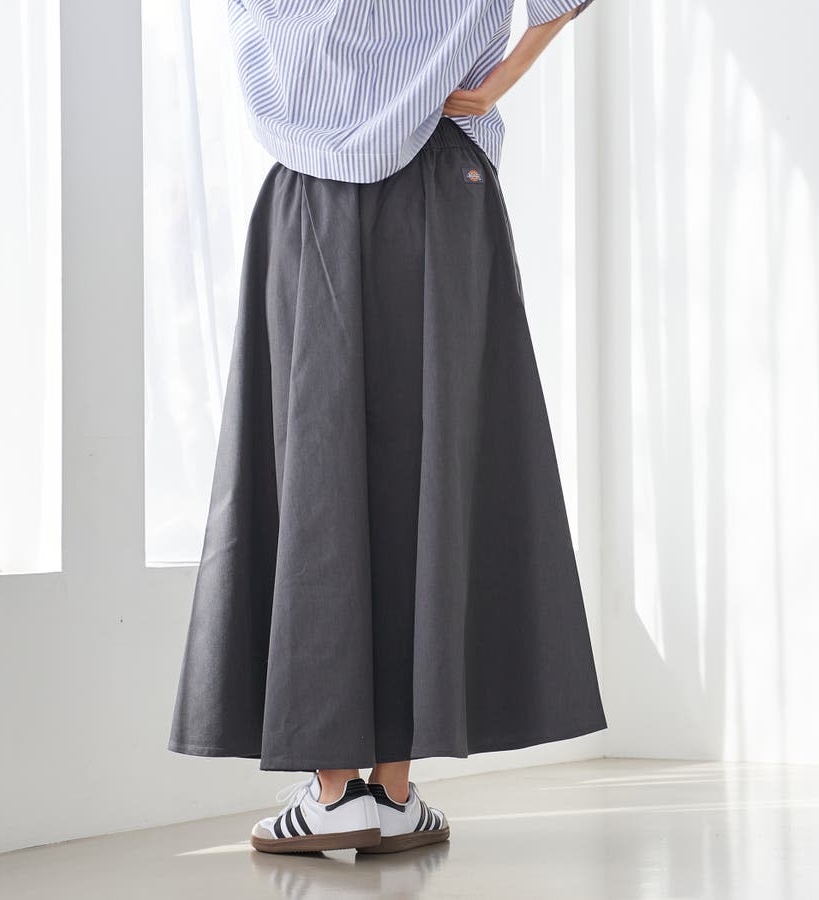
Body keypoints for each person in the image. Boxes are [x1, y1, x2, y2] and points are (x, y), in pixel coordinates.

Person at [168, 0, 606, 856]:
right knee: (430, 468)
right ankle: (394, 793)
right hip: (443, 184)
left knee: (314, 470)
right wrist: (504, 75)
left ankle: (336, 792)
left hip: (313, 190)